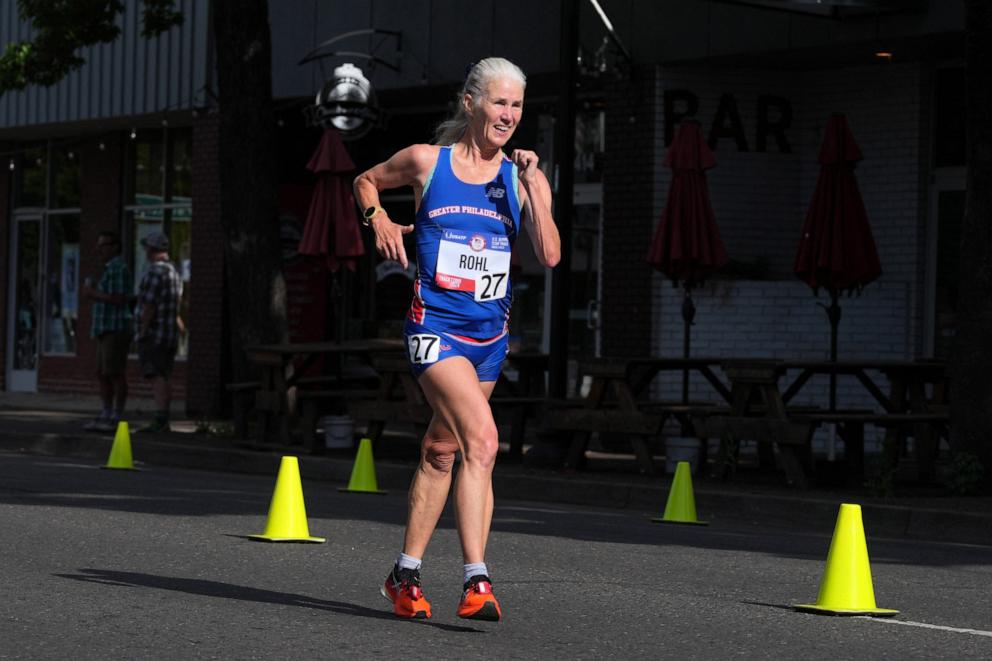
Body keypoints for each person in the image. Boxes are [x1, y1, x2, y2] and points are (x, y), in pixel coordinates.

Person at [353, 57, 560, 622]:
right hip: (434, 331)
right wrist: (380, 220)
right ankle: (477, 580)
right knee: (484, 442)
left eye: (517, 106)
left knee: (443, 451)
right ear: (470, 104)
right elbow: (364, 179)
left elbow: (549, 255)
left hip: (489, 340)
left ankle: (405, 574)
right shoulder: (427, 163)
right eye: (499, 102)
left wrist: (537, 191)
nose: (509, 115)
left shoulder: (517, 178)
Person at [81, 231, 132, 432]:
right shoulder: (108, 269)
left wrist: (93, 292)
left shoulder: (118, 268)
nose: (99, 250)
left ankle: (117, 415)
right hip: (103, 328)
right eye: (98, 245)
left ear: (114, 247)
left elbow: (119, 299)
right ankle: (106, 412)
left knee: (115, 372)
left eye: (103, 245)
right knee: (102, 373)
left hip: (115, 327)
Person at [134, 231, 184, 433]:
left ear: (152, 249)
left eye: (147, 247)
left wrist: (143, 331)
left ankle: (160, 418)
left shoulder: (155, 272)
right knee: (165, 373)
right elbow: (176, 303)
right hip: (170, 332)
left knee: (156, 375)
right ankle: (164, 417)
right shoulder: (174, 271)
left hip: (156, 333)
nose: (145, 251)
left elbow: (149, 306)